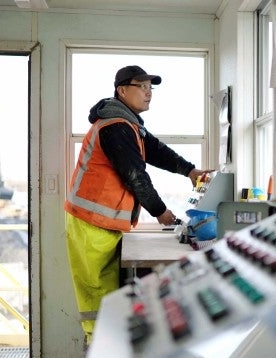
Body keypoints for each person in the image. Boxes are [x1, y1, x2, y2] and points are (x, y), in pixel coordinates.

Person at [64, 65, 212, 343]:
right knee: (96, 291)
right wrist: (161, 212)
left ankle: (106, 347)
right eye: (142, 87)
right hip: (90, 222)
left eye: (151, 88)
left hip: (103, 223)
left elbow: (156, 151)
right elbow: (135, 175)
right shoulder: (115, 127)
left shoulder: (129, 124)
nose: (149, 93)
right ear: (122, 90)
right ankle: (99, 352)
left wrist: (190, 171)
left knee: (106, 290)